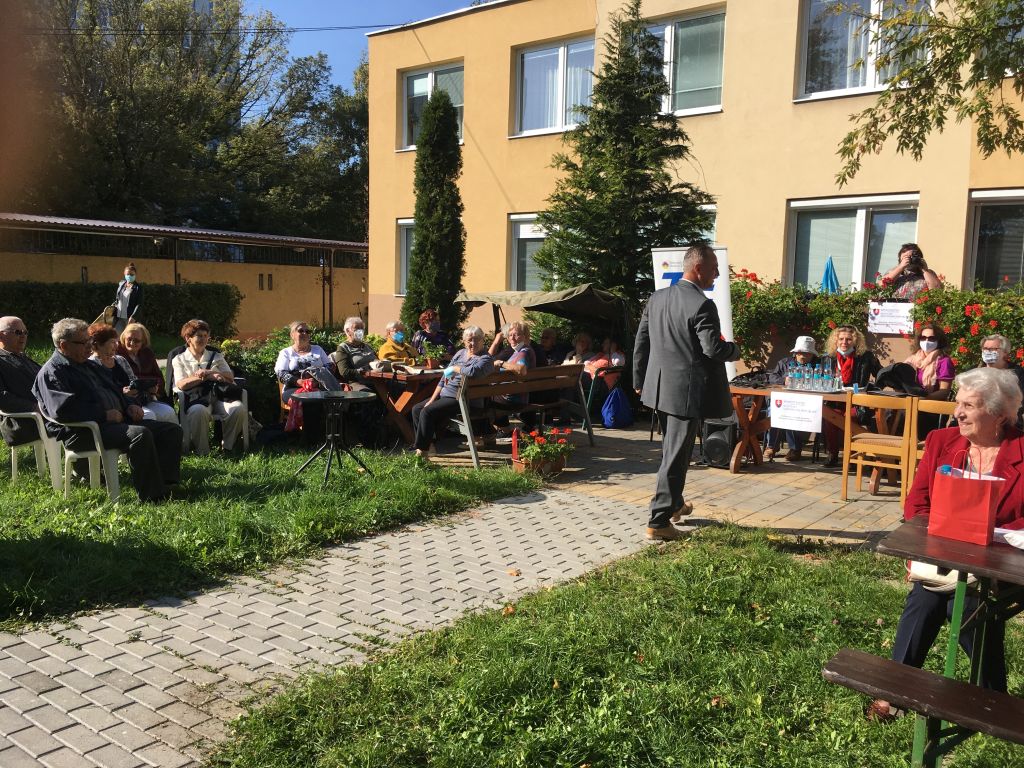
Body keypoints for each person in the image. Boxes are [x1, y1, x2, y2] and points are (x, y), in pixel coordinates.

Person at [866, 367, 1024, 722]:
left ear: (999, 415)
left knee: (966, 604)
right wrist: (936, 536)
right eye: (958, 403)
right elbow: (917, 503)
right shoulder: (942, 441)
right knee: (924, 600)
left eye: (969, 406)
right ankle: (896, 693)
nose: (958, 413)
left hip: (1000, 563)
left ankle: (992, 698)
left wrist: (989, 535)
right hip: (943, 556)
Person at [634, 244, 740, 541]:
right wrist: (734, 350)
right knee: (676, 456)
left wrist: (639, 379)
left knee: (673, 450)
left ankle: (675, 504)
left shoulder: (657, 298)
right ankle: (658, 521)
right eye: (714, 268)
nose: (717, 273)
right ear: (698, 268)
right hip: (685, 394)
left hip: (659, 389)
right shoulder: (702, 304)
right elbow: (713, 349)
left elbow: (642, 340)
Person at [33, 318, 182, 502]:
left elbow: (115, 389)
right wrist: (104, 415)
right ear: (64, 345)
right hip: (83, 431)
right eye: (84, 342)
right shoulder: (53, 372)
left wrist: (129, 405)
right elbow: (62, 410)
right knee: (139, 434)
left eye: (90, 341)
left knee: (171, 430)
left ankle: (167, 484)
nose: (90, 346)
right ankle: (153, 496)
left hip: (113, 423)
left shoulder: (88, 365)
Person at [411, 326, 493, 459]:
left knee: (427, 412)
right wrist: (432, 399)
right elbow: (444, 377)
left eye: (477, 339)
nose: (472, 343)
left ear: (483, 340)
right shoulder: (460, 353)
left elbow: (473, 372)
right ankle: (429, 445)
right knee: (417, 409)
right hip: (447, 396)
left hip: (463, 400)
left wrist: (455, 368)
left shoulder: (485, 359)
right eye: (469, 340)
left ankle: (422, 453)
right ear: (464, 341)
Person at [172, 319, 248, 455]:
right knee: (198, 411)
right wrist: (206, 377)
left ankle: (228, 447)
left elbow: (229, 377)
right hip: (197, 398)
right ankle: (203, 451)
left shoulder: (216, 356)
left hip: (220, 396)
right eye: (199, 336)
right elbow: (181, 384)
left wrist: (209, 372)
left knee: (238, 408)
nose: (203, 339)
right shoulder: (179, 359)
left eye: (205, 336)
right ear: (188, 338)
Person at [90, 323, 176, 423]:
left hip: (136, 401)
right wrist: (123, 393)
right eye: (113, 342)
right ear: (99, 345)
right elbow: (103, 393)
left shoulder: (120, 360)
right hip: (120, 407)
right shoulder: (92, 365)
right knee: (149, 415)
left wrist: (146, 388)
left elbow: (134, 381)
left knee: (168, 411)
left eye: (116, 342)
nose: (116, 345)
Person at [821, 325, 881, 467]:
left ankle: (852, 456)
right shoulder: (828, 358)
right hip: (835, 401)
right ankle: (832, 454)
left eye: (848, 339)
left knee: (851, 417)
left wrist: (873, 389)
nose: (844, 342)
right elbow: (821, 379)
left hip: (857, 403)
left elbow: (881, 374)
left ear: (855, 341)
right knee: (830, 417)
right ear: (835, 340)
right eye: (841, 339)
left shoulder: (866, 357)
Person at [766, 335, 819, 462]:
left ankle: (795, 449)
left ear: (812, 354)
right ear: (795, 352)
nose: (803, 356)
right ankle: (772, 446)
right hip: (783, 400)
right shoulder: (784, 363)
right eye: (800, 352)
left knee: (793, 412)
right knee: (773, 411)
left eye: (807, 353)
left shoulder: (818, 365)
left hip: (807, 402)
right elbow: (772, 377)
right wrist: (784, 380)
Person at [0, 315, 43, 447]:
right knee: (79, 425)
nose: (23, 336)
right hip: (22, 422)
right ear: (1, 336)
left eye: (25, 332)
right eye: (18, 332)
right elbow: (2, 397)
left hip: (43, 415)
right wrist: (34, 408)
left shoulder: (22, 357)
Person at [118, 323, 170, 410]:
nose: (132, 343)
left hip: (149, 397)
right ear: (124, 338)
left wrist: (156, 388)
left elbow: (158, 376)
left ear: (143, 341)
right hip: (129, 400)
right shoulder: (117, 353)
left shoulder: (147, 352)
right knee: (150, 415)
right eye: (129, 339)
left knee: (169, 412)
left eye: (136, 341)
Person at [332, 316, 378, 388]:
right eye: (357, 328)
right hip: (357, 383)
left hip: (377, 380)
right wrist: (364, 371)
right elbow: (344, 372)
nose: (360, 331)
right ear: (348, 331)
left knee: (394, 386)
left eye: (362, 328)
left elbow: (378, 362)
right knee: (367, 392)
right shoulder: (343, 348)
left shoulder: (367, 346)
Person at [111, 262, 143, 333]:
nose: (129, 276)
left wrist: (133, 317)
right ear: (124, 274)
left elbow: (139, 304)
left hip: (129, 318)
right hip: (119, 317)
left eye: (132, 274)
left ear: (135, 275)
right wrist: (112, 306)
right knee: (116, 336)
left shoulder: (138, 288)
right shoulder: (121, 284)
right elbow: (118, 299)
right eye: (128, 274)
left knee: (128, 336)